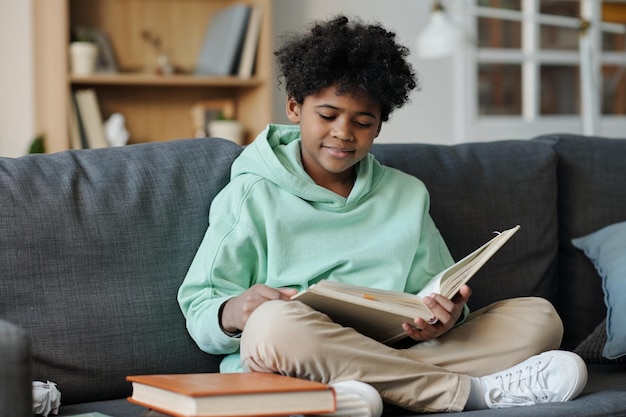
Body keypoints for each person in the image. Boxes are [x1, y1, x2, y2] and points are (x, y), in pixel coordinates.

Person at [178, 15, 587, 416]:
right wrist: (234, 312)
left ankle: (349, 395)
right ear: (294, 108)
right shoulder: (251, 192)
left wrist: (443, 319)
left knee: (539, 317)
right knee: (271, 326)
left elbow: (435, 292)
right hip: (297, 350)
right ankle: (471, 393)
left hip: (396, 348)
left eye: (362, 122)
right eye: (327, 115)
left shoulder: (406, 193)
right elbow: (200, 305)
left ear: (378, 128)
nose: (343, 132)